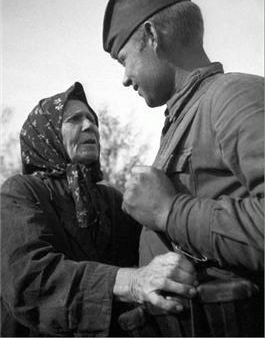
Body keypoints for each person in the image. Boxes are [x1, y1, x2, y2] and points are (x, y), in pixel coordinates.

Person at [103, 0, 264, 336]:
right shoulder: (187, 115)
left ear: (151, 36)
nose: (126, 78)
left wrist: (170, 210)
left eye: (124, 60)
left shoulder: (232, 97)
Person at [0, 82, 198, 337]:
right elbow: (28, 279)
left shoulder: (114, 201)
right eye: (74, 119)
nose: (89, 125)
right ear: (45, 134)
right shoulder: (20, 192)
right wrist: (132, 281)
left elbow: (151, 252)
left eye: (92, 119)